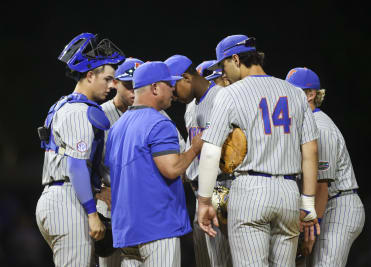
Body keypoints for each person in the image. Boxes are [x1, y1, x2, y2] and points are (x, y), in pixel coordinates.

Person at [196, 34, 320, 267]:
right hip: (288, 192)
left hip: (250, 189)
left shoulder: (229, 93)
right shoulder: (294, 92)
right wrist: (308, 201)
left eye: (223, 65)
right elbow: (310, 149)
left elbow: (211, 150)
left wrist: (204, 202)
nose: (223, 73)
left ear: (235, 59)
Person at [35, 32, 125, 266]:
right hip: (67, 200)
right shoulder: (78, 111)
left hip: (59, 197)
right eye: (106, 79)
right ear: (89, 75)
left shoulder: (63, 104)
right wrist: (92, 214)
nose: (111, 85)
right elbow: (76, 167)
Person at [105, 61, 203, 266]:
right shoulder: (158, 122)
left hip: (125, 229)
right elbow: (172, 169)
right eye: (169, 84)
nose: (172, 90)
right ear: (155, 88)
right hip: (157, 226)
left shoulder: (117, 126)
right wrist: (194, 148)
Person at [286, 67, 365, 267]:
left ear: (311, 94)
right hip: (323, 204)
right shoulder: (303, 123)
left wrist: (313, 227)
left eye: (294, 91)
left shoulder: (320, 127)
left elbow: (321, 185)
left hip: (339, 206)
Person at [165, 55, 233, 267]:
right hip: (200, 193)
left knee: (223, 260)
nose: (173, 95)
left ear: (186, 77)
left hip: (221, 187)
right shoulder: (191, 106)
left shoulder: (223, 97)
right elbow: (191, 146)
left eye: (173, 88)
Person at [97, 57, 144, 267]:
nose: (133, 91)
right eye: (128, 85)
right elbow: (83, 163)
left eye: (138, 85)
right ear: (115, 83)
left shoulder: (154, 112)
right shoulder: (99, 115)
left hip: (142, 205)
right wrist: (97, 190)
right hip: (110, 206)